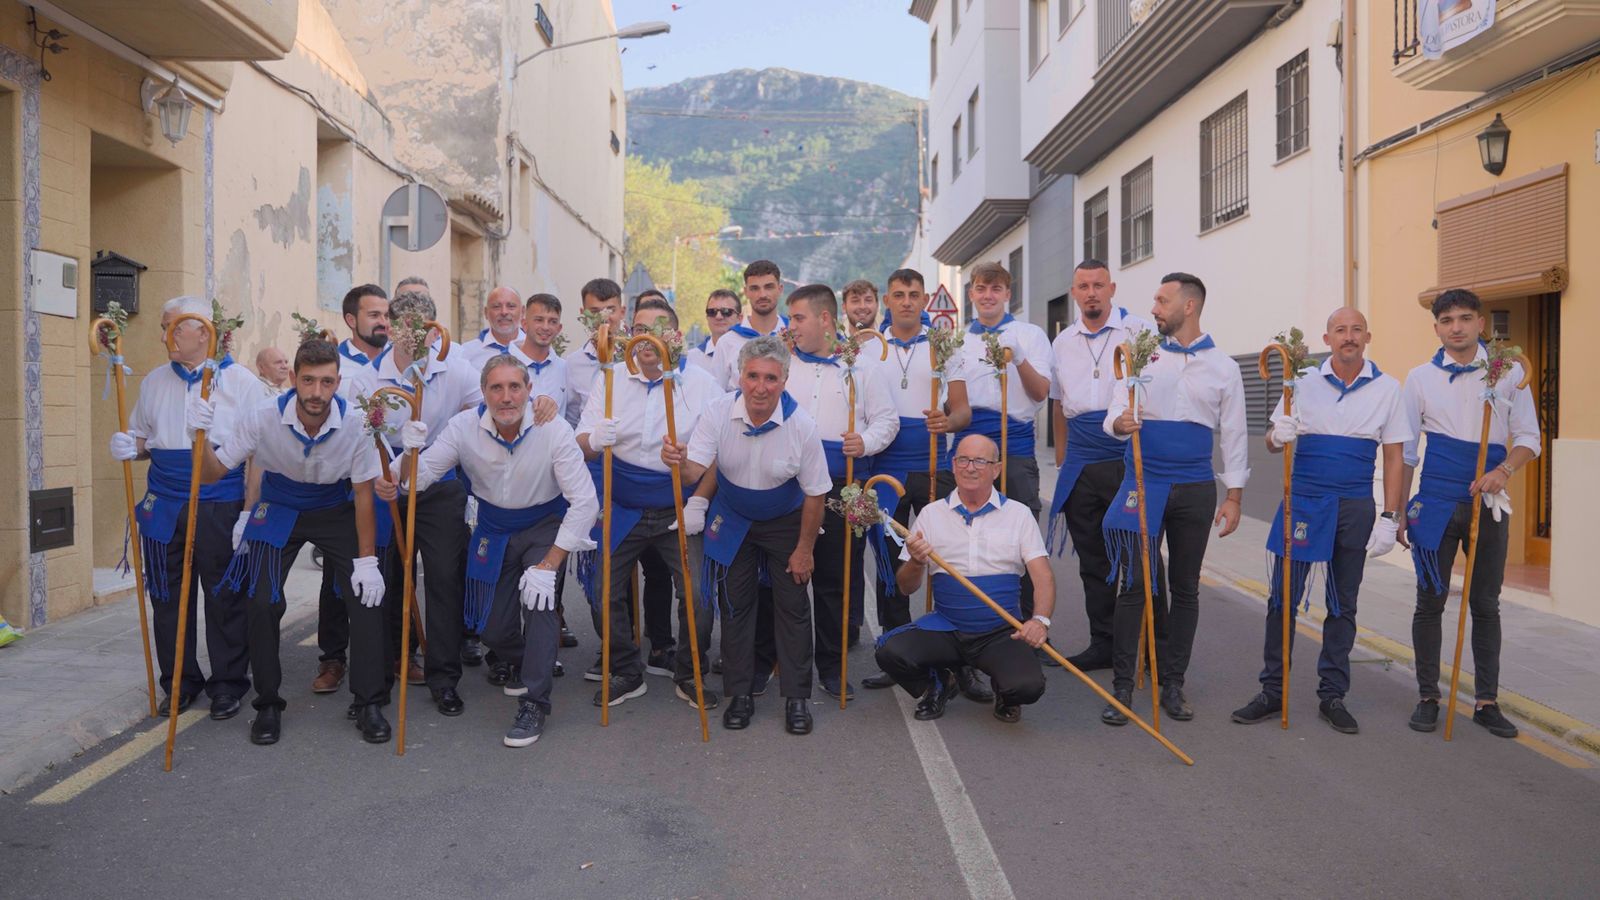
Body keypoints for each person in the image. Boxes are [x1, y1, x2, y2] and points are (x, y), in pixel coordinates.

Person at [380, 355, 599, 747]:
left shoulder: (554, 429)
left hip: (542, 527)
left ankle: (535, 701)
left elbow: (584, 502)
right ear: (482, 393)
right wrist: (404, 462)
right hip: (492, 529)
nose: (506, 396)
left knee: (540, 606)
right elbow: (419, 480)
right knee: (491, 628)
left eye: (515, 387)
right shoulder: (463, 427)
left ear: (529, 391)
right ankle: (534, 658)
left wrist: (549, 565)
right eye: (496, 388)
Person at [192, 339, 390, 745]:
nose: (317, 392)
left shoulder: (357, 422)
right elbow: (213, 473)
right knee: (262, 600)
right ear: (294, 379)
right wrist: (200, 435)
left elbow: (364, 494)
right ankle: (267, 703)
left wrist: (367, 562)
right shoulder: (262, 416)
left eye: (327, 382)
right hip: (278, 505)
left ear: (338, 382)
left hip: (333, 506)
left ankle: (369, 700)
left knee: (366, 596)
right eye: (308, 381)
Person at [1231, 308, 1411, 734]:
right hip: (1304, 501)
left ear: (1368, 336)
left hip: (1354, 504)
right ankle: (1273, 690)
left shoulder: (1388, 388)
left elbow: (1394, 454)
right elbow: (1274, 441)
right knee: (1282, 601)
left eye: (1355, 330)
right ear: (1326, 338)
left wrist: (1390, 516)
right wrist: (1280, 434)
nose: (1348, 337)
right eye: (1339, 330)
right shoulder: (1302, 382)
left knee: (1343, 604)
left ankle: (1332, 694)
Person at [108, 295, 266, 721]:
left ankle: (228, 684)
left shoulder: (242, 383)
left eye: (171, 327)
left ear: (202, 331)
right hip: (164, 502)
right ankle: (178, 682)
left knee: (223, 596)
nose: (163, 336)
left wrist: (250, 511)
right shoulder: (155, 381)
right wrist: (130, 445)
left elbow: (258, 456)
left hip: (219, 501)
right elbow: (144, 437)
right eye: (164, 328)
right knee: (166, 597)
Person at [663, 335, 831, 735]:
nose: (760, 387)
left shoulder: (803, 426)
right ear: (740, 376)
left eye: (770, 378)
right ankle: (739, 693)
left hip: (785, 519)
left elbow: (816, 494)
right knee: (735, 606)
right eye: (753, 376)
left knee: (792, 608)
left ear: (784, 380)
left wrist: (805, 550)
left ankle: (797, 698)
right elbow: (692, 473)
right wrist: (678, 459)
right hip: (734, 515)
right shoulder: (718, 412)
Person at [1101, 273, 1248, 726]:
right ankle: (1124, 684)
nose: (1155, 307)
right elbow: (1114, 410)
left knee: (1185, 587)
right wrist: (1119, 425)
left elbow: (1236, 433)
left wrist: (1235, 496)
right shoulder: (1139, 355)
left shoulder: (1224, 366)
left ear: (1189, 306)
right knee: (1134, 584)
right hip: (1144, 480)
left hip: (1196, 487)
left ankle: (1173, 682)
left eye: (1162, 300)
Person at [1398, 288, 1540, 738]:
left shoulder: (1509, 373)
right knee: (1429, 600)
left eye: (1464, 318)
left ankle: (1486, 701)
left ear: (1481, 323)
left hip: (1488, 498)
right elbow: (1405, 451)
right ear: (1437, 327)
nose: (1455, 327)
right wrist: (1398, 511)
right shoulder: (1419, 378)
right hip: (1435, 500)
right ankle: (1427, 695)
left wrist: (1503, 469)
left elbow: (1528, 438)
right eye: (1446, 320)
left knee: (1485, 604)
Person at [575, 298, 723, 711]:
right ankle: (625, 668)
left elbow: (718, 455)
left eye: (657, 329)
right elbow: (580, 444)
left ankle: (689, 671)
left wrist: (697, 498)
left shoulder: (702, 385)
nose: (645, 338)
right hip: (622, 505)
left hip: (679, 506)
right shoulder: (610, 379)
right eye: (638, 327)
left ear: (675, 337)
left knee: (697, 594)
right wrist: (594, 438)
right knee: (602, 589)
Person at [859, 268, 983, 700]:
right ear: (886, 300)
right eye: (898, 294)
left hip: (935, 466)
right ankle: (898, 654)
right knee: (892, 568)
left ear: (925, 299)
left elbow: (964, 411)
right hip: (886, 468)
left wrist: (946, 420)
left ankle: (962, 660)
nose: (907, 301)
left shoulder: (944, 345)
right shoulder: (868, 348)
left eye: (914, 294)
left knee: (948, 561)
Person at [363, 289, 483, 717]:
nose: (415, 338)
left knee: (444, 579)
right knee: (389, 578)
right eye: (405, 328)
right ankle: (391, 665)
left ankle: (444, 677)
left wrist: (438, 447)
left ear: (434, 330)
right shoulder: (366, 377)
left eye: (424, 329)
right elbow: (357, 435)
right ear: (392, 328)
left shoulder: (459, 371)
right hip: (385, 486)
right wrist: (395, 462)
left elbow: (480, 415)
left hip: (439, 484)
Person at [876, 434, 1052, 723]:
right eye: (963, 460)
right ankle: (940, 683)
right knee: (888, 651)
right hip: (948, 627)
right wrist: (917, 562)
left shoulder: (1018, 514)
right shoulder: (932, 514)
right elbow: (906, 587)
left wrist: (1040, 621)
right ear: (954, 466)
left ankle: (1005, 692)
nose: (971, 467)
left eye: (980, 461)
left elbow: (1043, 577)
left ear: (996, 469)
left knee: (1027, 687)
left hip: (1000, 631)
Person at [783, 284, 898, 700]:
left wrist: (864, 442)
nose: (791, 326)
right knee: (785, 579)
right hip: (788, 487)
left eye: (797, 318)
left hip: (842, 485)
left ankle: (832, 667)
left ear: (825, 319)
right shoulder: (783, 364)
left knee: (836, 581)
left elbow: (888, 421)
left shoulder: (864, 368)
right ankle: (786, 663)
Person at [1045, 260, 1154, 671]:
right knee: (1094, 561)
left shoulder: (1139, 332)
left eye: (1097, 285)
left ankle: (1145, 645)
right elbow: (1058, 402)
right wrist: (1061, 456)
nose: (1091, 293)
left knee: (1137, 560)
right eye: (1083, 286)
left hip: (1126, 458)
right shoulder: (1063, 342)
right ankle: (1103, 642)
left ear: (1112, 288)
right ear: (1074, 292)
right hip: (1081, 463)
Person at [944, 261, 1052, 620]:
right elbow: (951, 403)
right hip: (969, 447)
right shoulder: (958, 341)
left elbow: (1040, 394)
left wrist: (1018, 357)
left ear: (1008, 294)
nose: (988, 296)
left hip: (1016, 446)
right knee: (967, 536)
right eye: (981, 288)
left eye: (996, 289)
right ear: (971, 293)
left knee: (1022, 538)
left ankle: (1029, 626)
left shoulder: (1031, 334)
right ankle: (973, 622)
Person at [315, 283, 396, 696]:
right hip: (343, 482)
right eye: (373, 315)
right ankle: (332, 656)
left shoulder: (398, 361)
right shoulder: (334, 364)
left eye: (386, 315)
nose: (382, 322)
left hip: (387, 476)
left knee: (391, 566)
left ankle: (399, 652)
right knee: (339, 573)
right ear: (351, 320)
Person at [709, 260, 789, 392]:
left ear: (780, 289)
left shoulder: (795, 337)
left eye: (769, 287)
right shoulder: (727, 342)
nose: (762, 294)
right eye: (755, 288)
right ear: (746, 292)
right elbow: (716, 397)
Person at [460, 286, 527, 369]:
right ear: (486, 312)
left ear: (523, 311)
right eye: (496, 306)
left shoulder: (538, 350)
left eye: (511, 306)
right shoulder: (466, 353)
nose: (504, 312)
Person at [687, 289, 741, 376]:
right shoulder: (691, 359)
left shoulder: (750, 354)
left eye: (726, 312)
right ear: (707, 317)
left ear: (740, 318)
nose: (718, 317)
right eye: (712, 312)